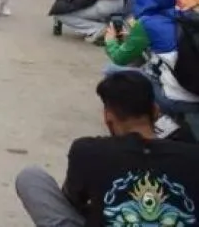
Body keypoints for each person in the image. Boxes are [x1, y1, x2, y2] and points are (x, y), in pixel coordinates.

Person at [15, 70, 199, 227]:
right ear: (155, 111)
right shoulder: (191, 154)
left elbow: (72, 201)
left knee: (30, 177)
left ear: (108, 118)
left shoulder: (87, 151)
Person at [104, 0, 199, 121]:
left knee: (110, 71)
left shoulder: (146, 23)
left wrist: (110, 41)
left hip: (176, 99)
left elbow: (120, 58)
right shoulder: (186, 17)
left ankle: (141, 121)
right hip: (193, 87)